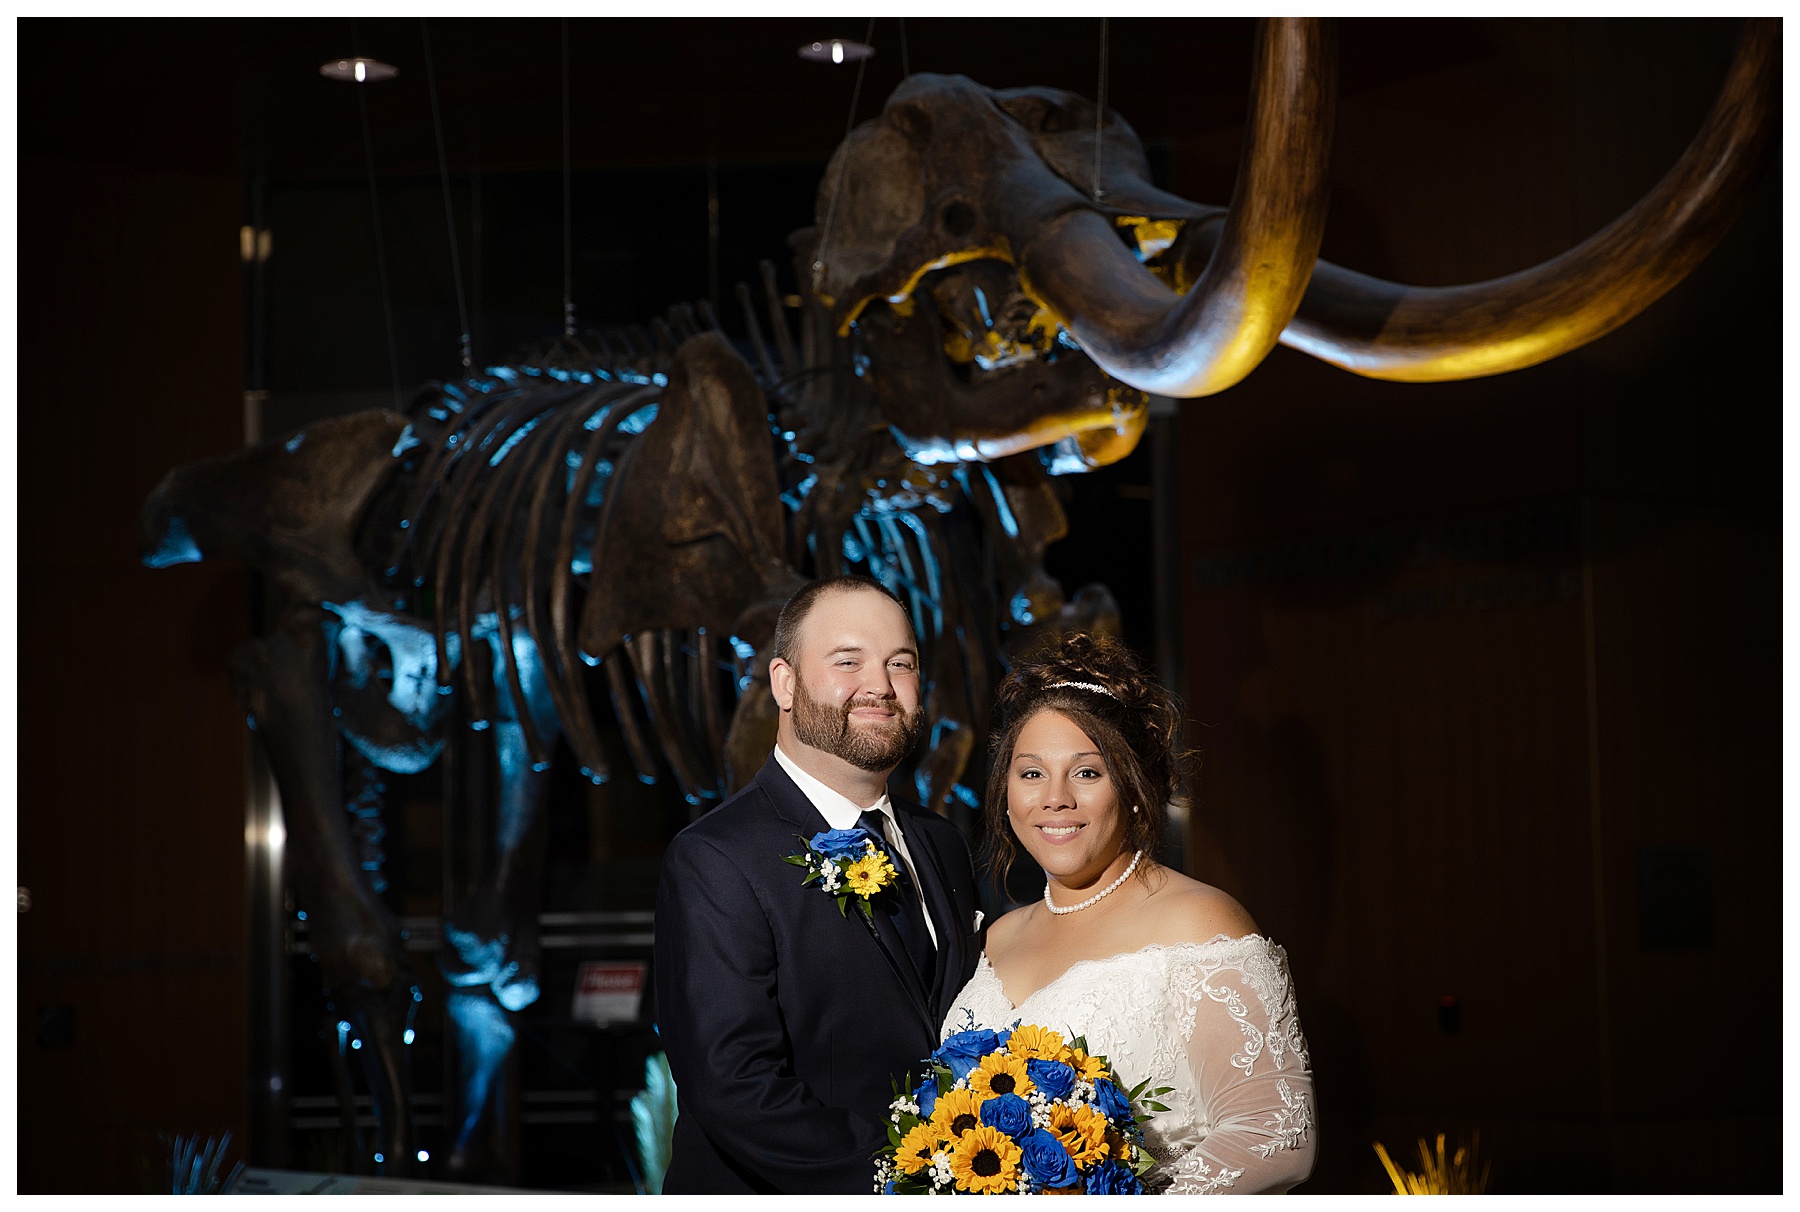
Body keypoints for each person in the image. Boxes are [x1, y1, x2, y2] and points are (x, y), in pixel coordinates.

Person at [942, 632, 1317, 1194]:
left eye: (1087, 772)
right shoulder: (996, 939)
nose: (1055, 798)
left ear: (1135, 788)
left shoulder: (1199, 923)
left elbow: (1276, 1132)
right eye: (1031, 772)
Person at [654, 574, 985, 1193]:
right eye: (847, 661)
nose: (880, 686)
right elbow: (734, 1086)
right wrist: (910, 1180)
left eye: (901, 664)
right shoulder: (715, 859)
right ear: (784, 683)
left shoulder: (941, 844)